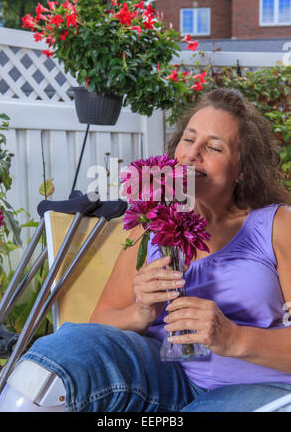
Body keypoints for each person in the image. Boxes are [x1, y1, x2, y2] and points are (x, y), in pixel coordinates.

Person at [19, 88, 291, 412]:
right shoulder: (150, 221)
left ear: (242, 168)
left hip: (258, 386)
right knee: (63, 354)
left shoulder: (275, 225)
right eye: (188, 140)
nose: (192, 154)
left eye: (214, 147)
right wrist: (140, 313)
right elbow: (99, 323)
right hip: (168, 377)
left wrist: (233, 338)